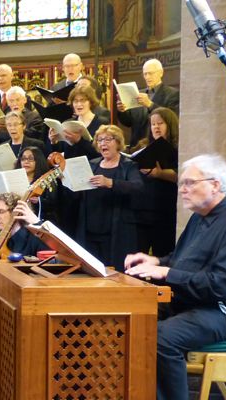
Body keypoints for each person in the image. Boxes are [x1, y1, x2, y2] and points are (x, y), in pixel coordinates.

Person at [124, 154, 226, 400]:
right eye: (182, 184)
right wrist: (156, 261)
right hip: (190, 302)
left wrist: (167, 272)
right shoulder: (200, 217)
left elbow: (222, 285)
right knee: (130, 317)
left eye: (189, 183)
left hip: (222, 312)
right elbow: (182, 259)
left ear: (215, 184)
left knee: (161, 338)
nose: (182, 190)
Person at [74, 125, 143, 270]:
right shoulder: (92, 165)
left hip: (116, 232)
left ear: (118, 142)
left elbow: (137, 187)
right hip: (90, 230)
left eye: (107, 139)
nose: (102, 143)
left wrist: (110, 183)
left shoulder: (128, 166)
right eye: (99, 140)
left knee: (115, 273)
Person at [129, 107, 179, 257]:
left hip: (164, 210)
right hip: (141, 209)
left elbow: (180, 175)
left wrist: (160, 173)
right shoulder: (142, 146)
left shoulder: (178, 148)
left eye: (160, 123)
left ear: (170, 125)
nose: (156, 127)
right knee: (138, 256)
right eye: (153, 124)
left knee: (162, 253)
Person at [117, 59, 180, 148]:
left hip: (160, 145)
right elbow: (128, 122)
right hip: (137, 146)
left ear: (161, 73)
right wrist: (122, 111)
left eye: (150, 73)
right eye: (145, 74)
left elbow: (172, 120)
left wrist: (150, 104)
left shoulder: (172, 94)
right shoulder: (137, 93)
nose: (147, 77)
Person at [14, 146, 58, 223]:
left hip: (39, 220)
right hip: (17, 219)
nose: (26, 162)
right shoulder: (14, 179)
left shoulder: (47, 179)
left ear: (38, 161)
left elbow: (53, 203)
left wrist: (39, 201)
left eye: (31, 159)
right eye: (23, 159)